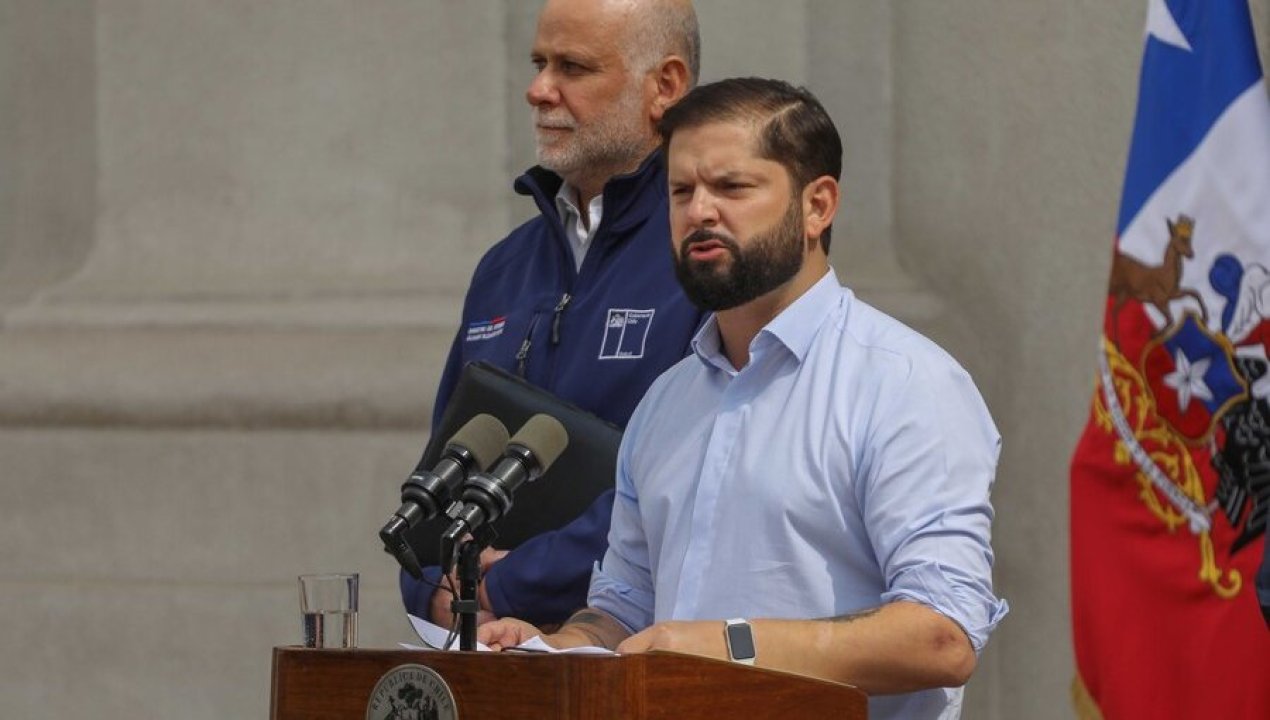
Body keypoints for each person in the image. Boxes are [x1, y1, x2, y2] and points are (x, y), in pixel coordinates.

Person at [478, 78, 1009, 720]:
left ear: (817, 206)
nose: (699, 212)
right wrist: (555, 648)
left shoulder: (905, 383)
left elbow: (943, 634)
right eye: (681, 192)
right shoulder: (666, 401)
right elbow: (624, 609)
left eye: (731, 187)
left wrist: (728, 646)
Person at [399, 0, 706, 629]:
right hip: (485, 642)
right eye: (539, 63)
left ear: (666, 86)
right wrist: (430, 584)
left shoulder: (704, 258)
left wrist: (509, 587)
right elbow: (443, 463)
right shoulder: (505, 266)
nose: (538, 90)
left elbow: (692, 479)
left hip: (628, 645)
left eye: (573, 67)